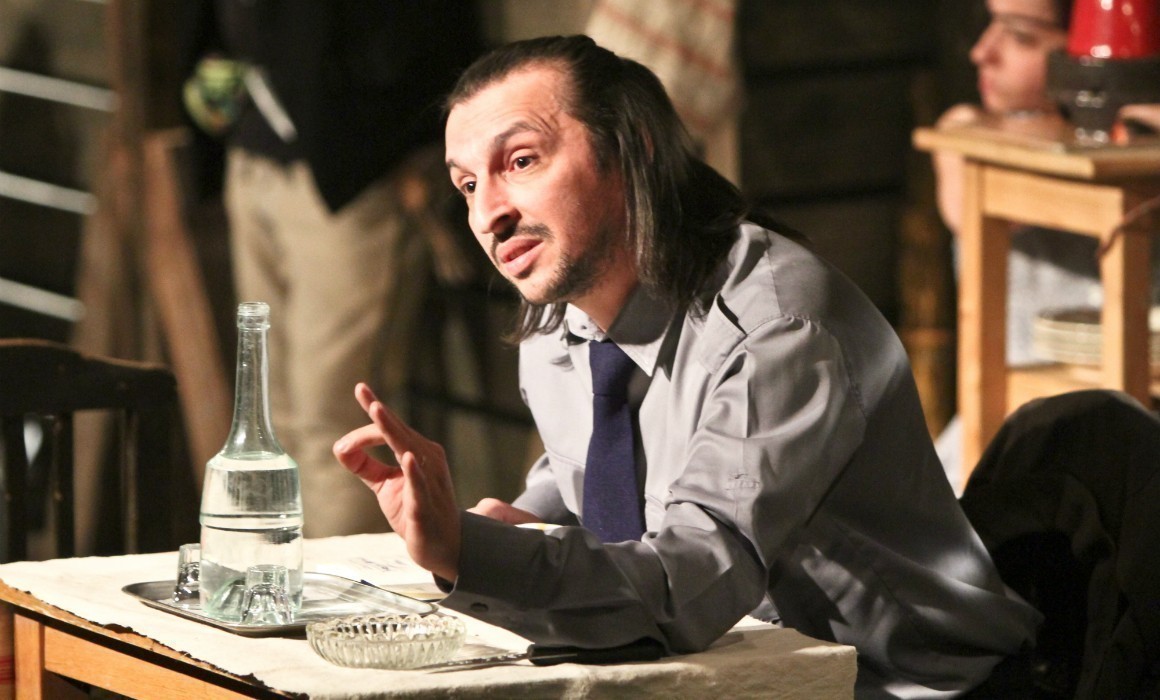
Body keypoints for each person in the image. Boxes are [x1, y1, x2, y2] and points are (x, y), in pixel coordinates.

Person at [333, 35, 1041, 697]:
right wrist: (527, 517)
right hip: (725, 670)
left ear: (630, 148)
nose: (489, 214)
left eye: (520, 162)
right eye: (466, 185)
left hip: (903, 685)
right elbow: (593, 462)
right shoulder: (558, 322)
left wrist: (470, 553)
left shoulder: (779, 329)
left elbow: (689, 582)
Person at [181, 1, 483, 537]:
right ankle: (277, 576)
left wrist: (391, 145)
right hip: (252, 154)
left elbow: (433, 39)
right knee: (269, 414)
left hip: (350, 174)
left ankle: (339, 586)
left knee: (337, 421)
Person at [931, 0, 1160, 484]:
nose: (982, 52)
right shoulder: (968, 131)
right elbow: (963, 203)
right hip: (1019, 439)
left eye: (1021, 37)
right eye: (990, 25)